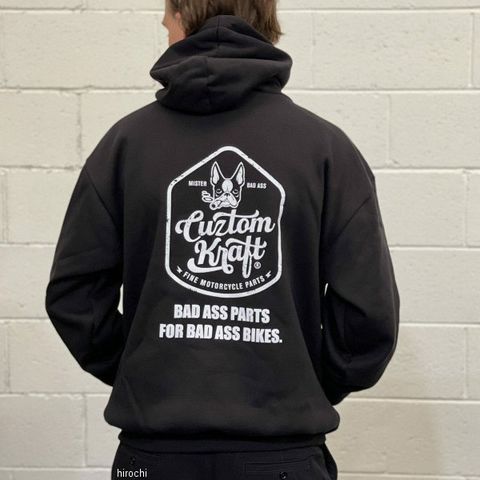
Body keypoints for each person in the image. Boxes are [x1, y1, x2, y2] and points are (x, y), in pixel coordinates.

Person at [44, 1, 400, 479]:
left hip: (154, 458)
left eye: (166, 18)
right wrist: (302, 379)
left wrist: (148, 371)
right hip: (283, 458)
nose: (164, 27)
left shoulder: (125, 145)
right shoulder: (325, 149)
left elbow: (74, 296)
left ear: (182, 17)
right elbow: (369, 314)